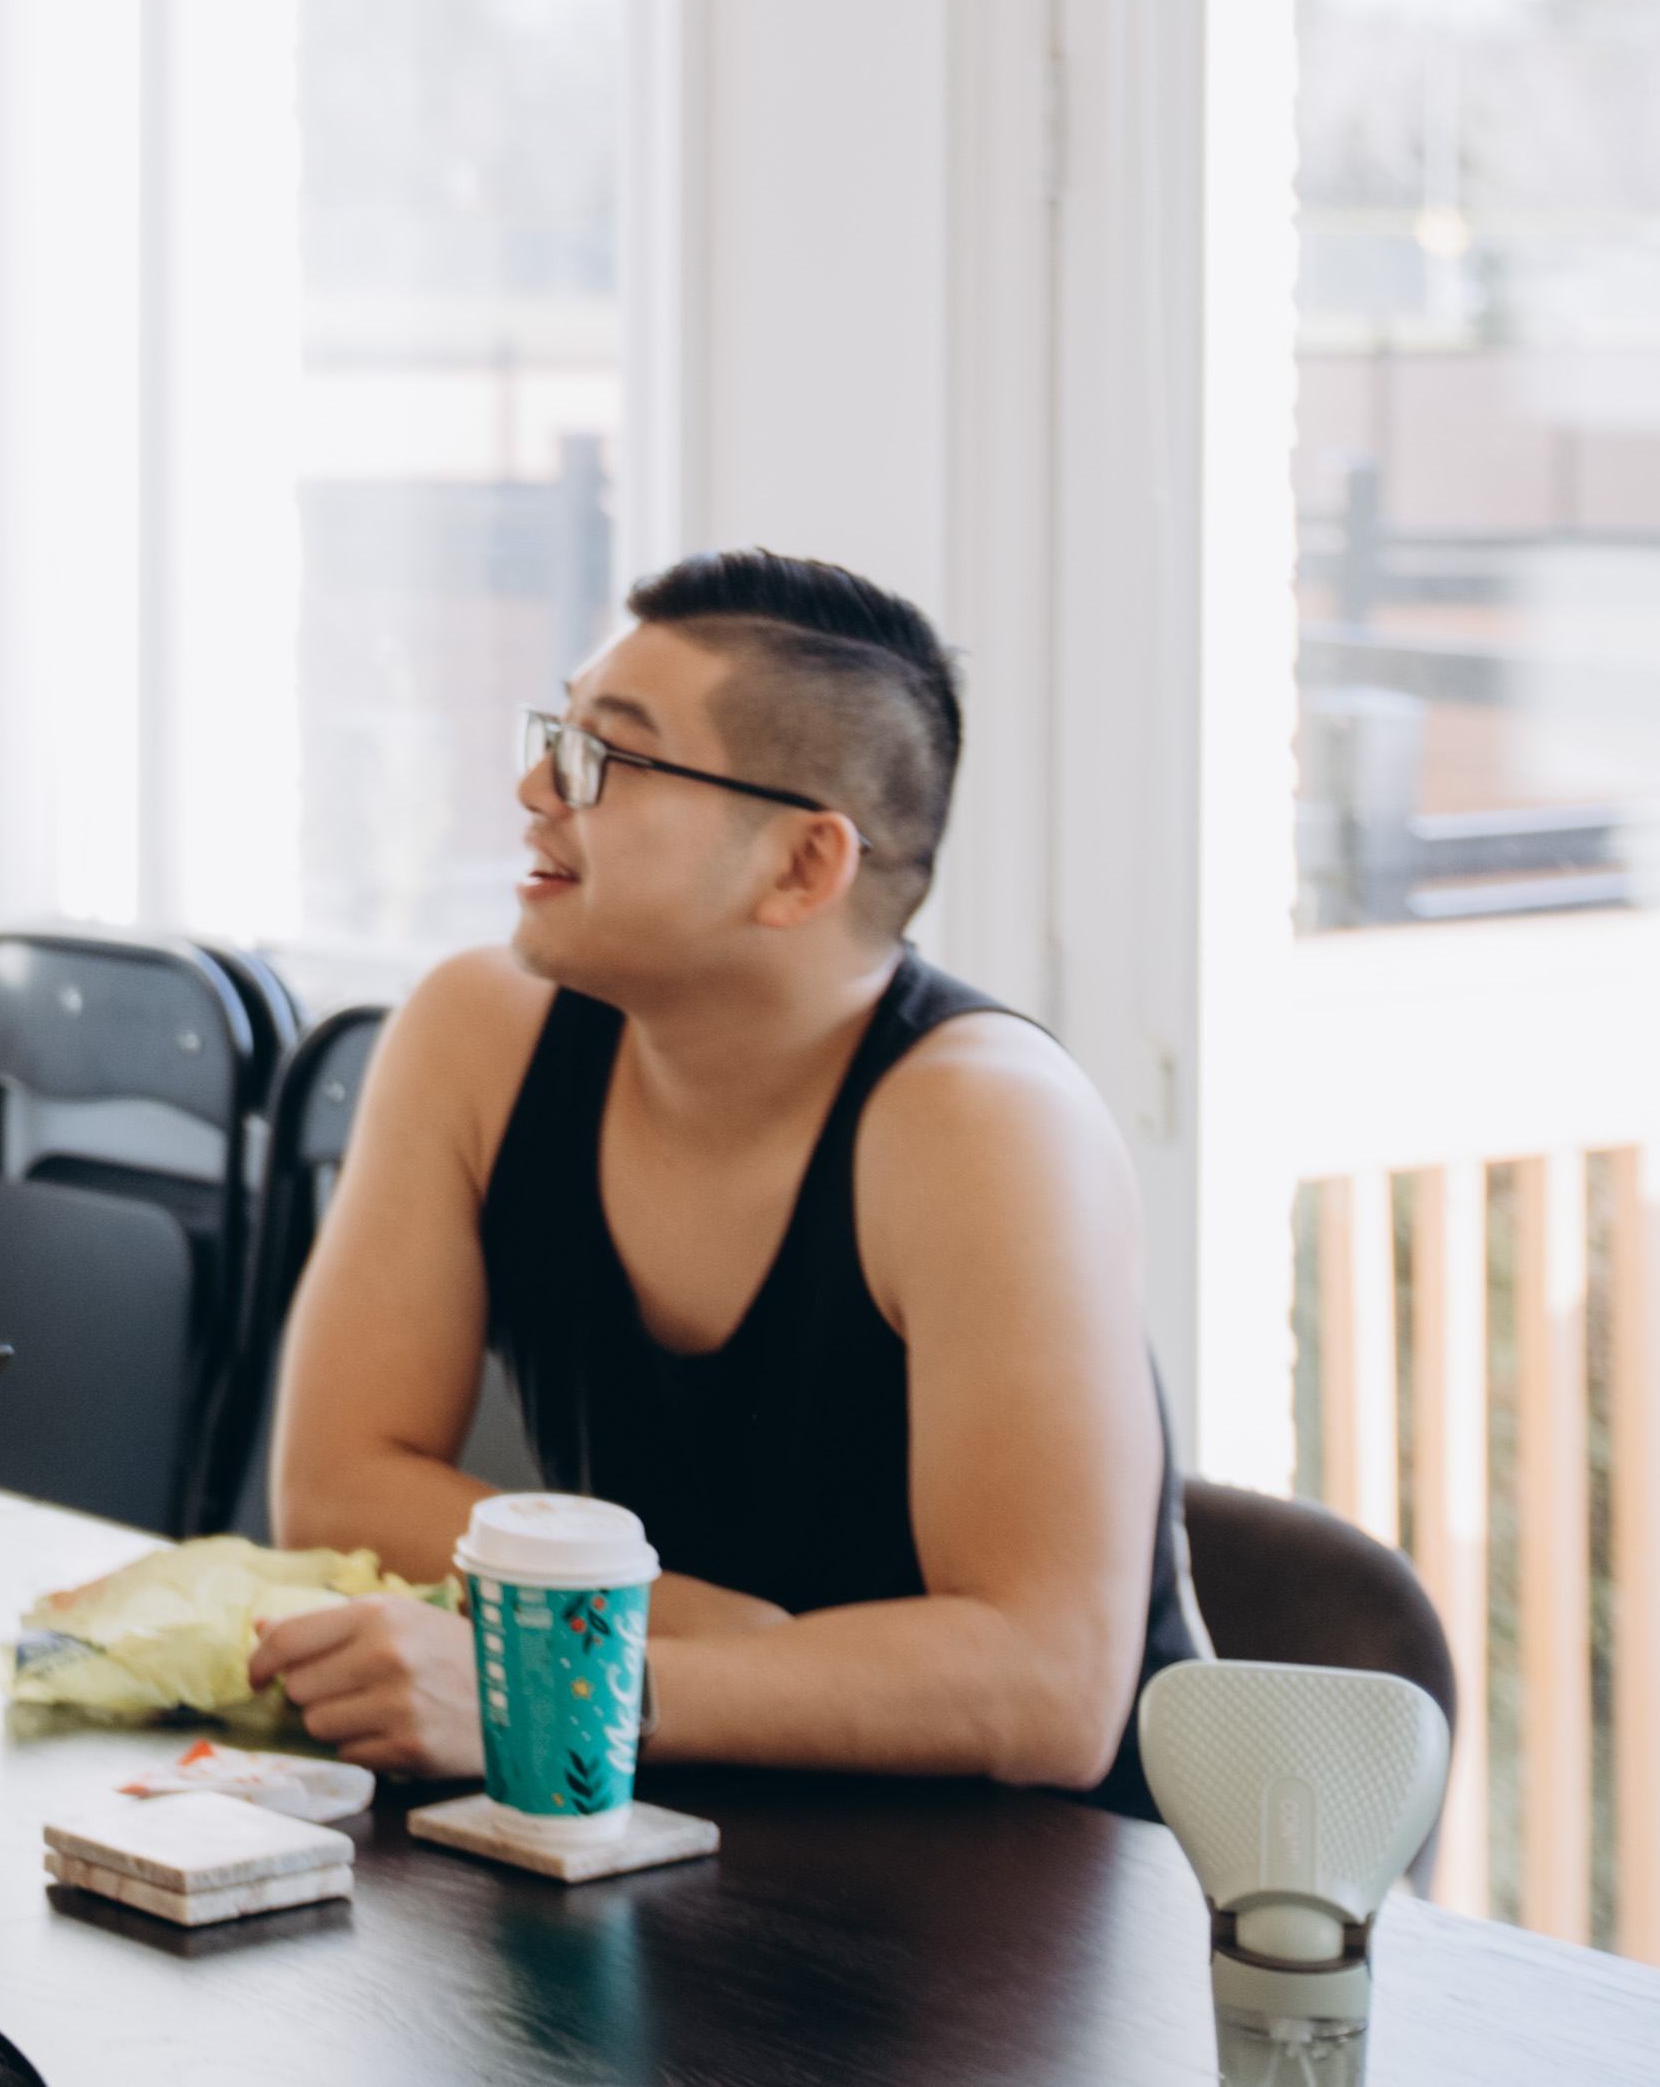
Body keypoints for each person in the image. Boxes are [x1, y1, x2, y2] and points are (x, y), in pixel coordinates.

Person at [247, 549, 1202, 1808]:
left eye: (608, 754)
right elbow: (334, 1486)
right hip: (673, 1813)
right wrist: (709, 1630)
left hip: (1031, 1876)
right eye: (555, 735)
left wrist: (573, 1679)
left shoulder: (985, 1124)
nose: (534, 788)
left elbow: (1048, 1686)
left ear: (802, 866)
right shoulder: (478, 1034)